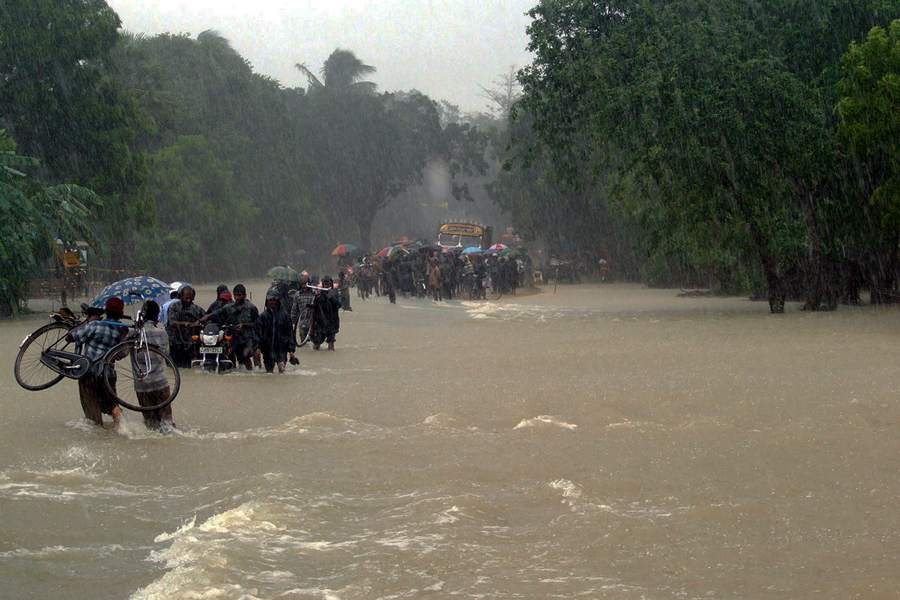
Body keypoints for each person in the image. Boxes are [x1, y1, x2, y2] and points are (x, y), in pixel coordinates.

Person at [65, 297, 128, 428]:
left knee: (93, 418)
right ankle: (116, 412)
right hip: (108, 374)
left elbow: (70, 337)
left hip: (89, 373)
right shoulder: (121, 330)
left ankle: (97, 433)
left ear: (105, 311)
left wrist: (87, 322)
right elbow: (120, 355)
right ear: (121, 314)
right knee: (111, 405)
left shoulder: (94, 325)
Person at [126, 300, 175, 431]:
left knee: (151, 424)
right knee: (167, 422)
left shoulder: (133, 334)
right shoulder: (162, 333)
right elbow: (166, 354)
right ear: (157, 317)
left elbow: (121, 354)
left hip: (142, 385)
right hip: (161, 382)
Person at [201, 283, 259, 370]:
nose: (237, 298)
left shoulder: (251, 308)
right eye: (235, 295)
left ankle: (251, 372)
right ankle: (245, 375)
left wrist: (244, 324)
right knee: (239, 360)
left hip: (249, 337)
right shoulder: (229, 307)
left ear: (245, 295)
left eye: (239, 295)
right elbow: (214, 314)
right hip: (236, 338)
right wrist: (199, 321)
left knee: (246, 354)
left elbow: (257, 324)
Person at [254, 289, 296, 373]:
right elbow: (258, 333)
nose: (272, 302)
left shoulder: (285, 316)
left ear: (277, 301)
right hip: (267, 348)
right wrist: (257, 347)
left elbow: (290, 333)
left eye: (274, 300)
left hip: (281, 347)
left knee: (282, 368)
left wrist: (291, 350)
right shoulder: (263, 317)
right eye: (270, 300)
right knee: (269, 372)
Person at [165, 285, 205, 368]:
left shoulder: (197, 309)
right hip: (175, 343)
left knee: (186, 368)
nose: (188, 300)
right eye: (186, 298)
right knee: (173, 368)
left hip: (189, 345)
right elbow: (172, 322)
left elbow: (206, 320)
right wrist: (184, 324)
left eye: (190, 298)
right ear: (181, 296)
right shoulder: (173, 307)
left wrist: (199, 324)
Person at [311, 275, 342, 350]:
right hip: (320, 322)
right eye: (325, 284)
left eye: (328, 285)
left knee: (331, 344)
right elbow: (314, 306)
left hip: (332, 322)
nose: (326, 286)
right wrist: (316, 298)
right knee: (317, 344)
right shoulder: (319, 293)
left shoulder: (335, 293)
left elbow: (339, 304)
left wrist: (331, 296)